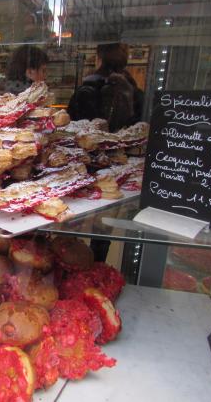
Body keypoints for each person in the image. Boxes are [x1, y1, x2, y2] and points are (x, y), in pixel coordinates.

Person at [67, 43, 144, 262]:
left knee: (72, 222)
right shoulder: (133, 90)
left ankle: (70, 256)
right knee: (104, 225)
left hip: (83, 167)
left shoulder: (88, 89)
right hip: (118, 169)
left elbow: (71, 128)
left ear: (99, 59)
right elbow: (136, 127)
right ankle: (97, 262)